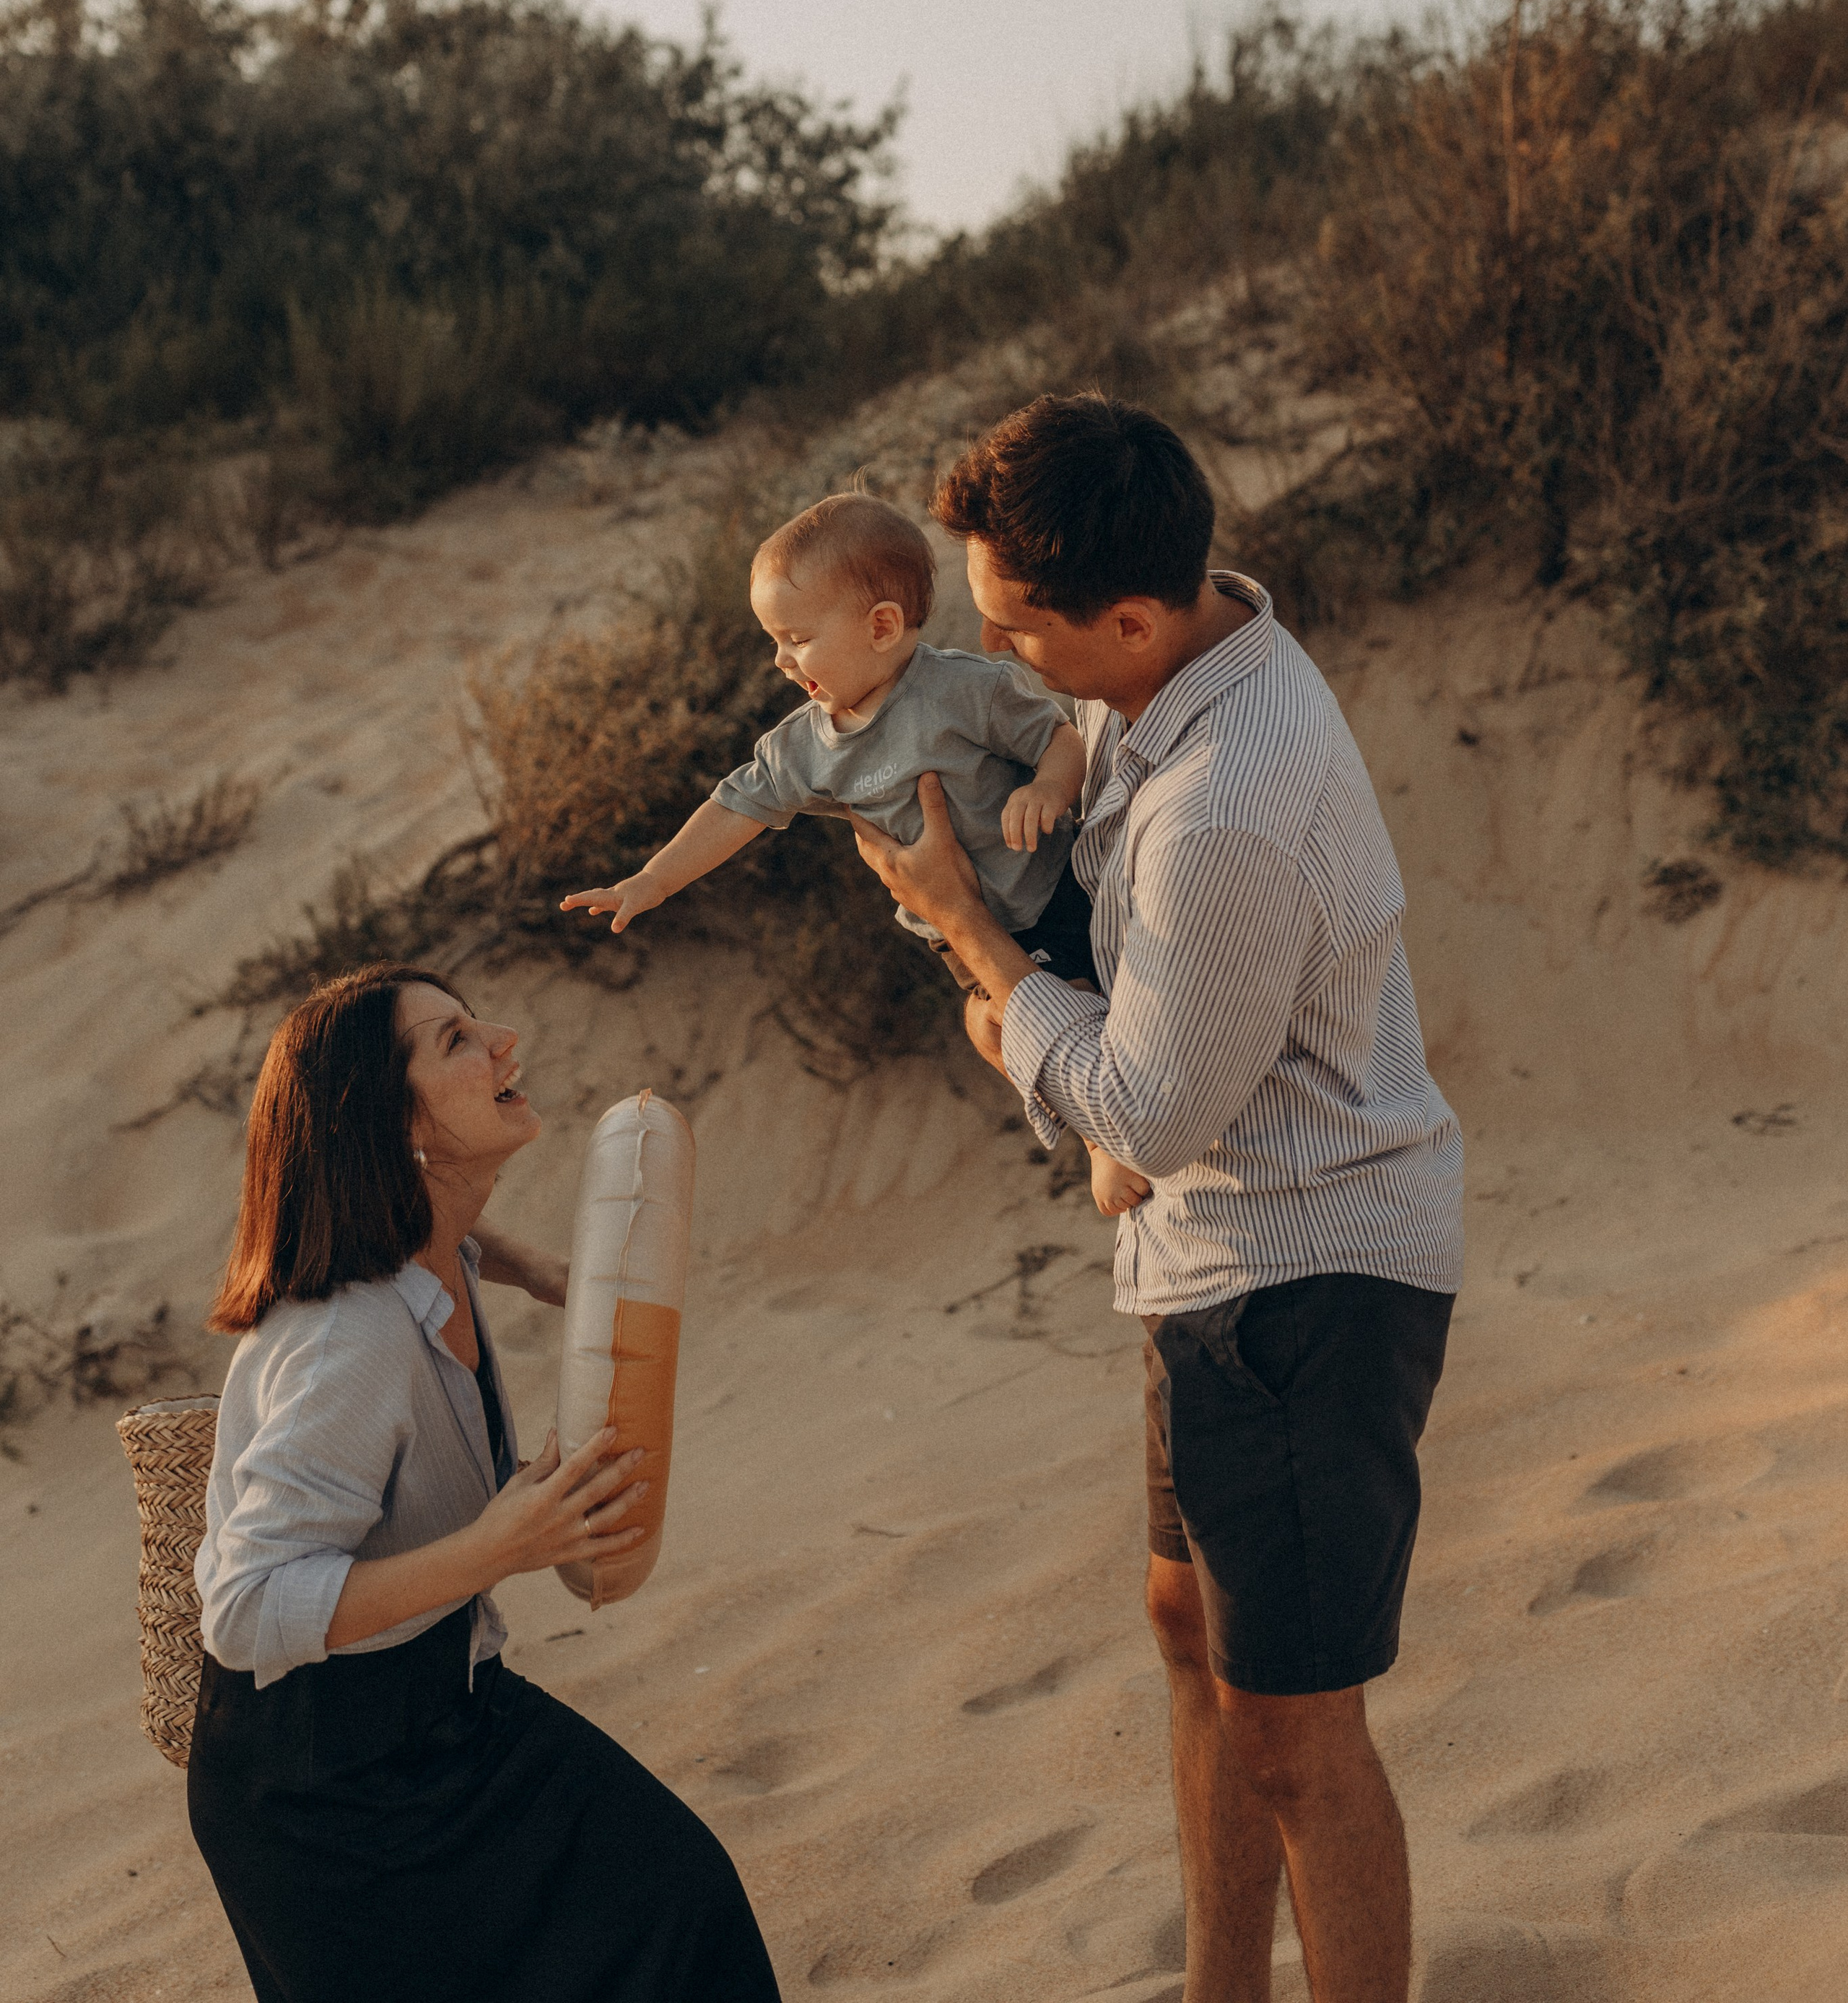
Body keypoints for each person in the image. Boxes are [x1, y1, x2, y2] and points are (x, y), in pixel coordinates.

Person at [847, 395, 1464, 2003]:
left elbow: (1147, 1107)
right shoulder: (1193, 633)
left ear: (1126, 617)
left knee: (1297, 1733)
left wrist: (972, 945)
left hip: (1300, 1283)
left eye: (1011, 631)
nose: (993, 658)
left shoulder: (1226, 809)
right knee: (1183, 1625)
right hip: (1201, 1268)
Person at [189, 962, 783, 2003]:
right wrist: (495, 1551)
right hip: (323, 1791)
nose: (506, 1040)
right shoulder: (348, 1347)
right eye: (456, 1040)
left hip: (446, 1708)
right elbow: (243, 1608)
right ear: (388, 1119)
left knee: (678, 1906)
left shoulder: (431, 1244)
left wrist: (560, 1275)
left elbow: (462, 1234)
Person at [562, 490, 1149, 1221]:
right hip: (959, 942)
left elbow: (1058, 739)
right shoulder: (806, 745)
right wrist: (652, 880)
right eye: (773, 640)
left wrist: (1047, 791)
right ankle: (1092, 1134)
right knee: (997, 1030)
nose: (780, 660)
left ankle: (1107, 1140)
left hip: (1047, 897)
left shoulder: (965, 689)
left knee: (1077, 1008)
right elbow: (735, 807)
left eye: (796, 638)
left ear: (881, 626)